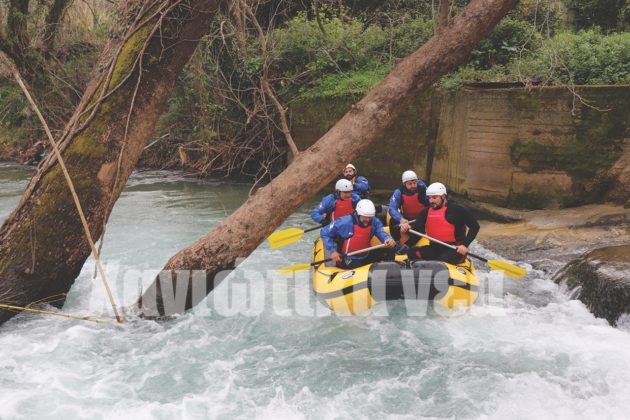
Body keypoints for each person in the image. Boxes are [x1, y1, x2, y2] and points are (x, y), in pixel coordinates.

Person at [400, 182, 480, 264]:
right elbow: (417, 230)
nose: (431, 201)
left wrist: (465, 245)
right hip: (434, 247)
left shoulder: (457, 210)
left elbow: (475, 226)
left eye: (434, 198)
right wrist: (407, 230)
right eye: (429, 198)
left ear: (443, 196)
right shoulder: (425, 212)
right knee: (412, 252)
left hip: (454, 249)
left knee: (441, 260)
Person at [320, 199, 396, 269]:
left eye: (370, 217)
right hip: (349, 258)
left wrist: (388, 239)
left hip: (366, 255)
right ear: (358, 213)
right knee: (357, 266)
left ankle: (391, 273)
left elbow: (381, 232)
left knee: (390, 250)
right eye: (365, 217)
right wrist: (333, 251)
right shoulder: (344, 222)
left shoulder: (374, 221)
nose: (368, 220)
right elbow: (324, 233)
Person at [387, 170, 428, 242]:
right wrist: (401, 219)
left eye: (415, 183)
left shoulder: (422, 188)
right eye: (410, 184)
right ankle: (397, 241)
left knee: (419, 227)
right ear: (404, 184)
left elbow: (431, 204)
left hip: (421, 220)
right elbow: (392, 208)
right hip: (407, 220)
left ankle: (408, 245)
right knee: (392, 221)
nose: (413, 186)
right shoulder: (399, 192)